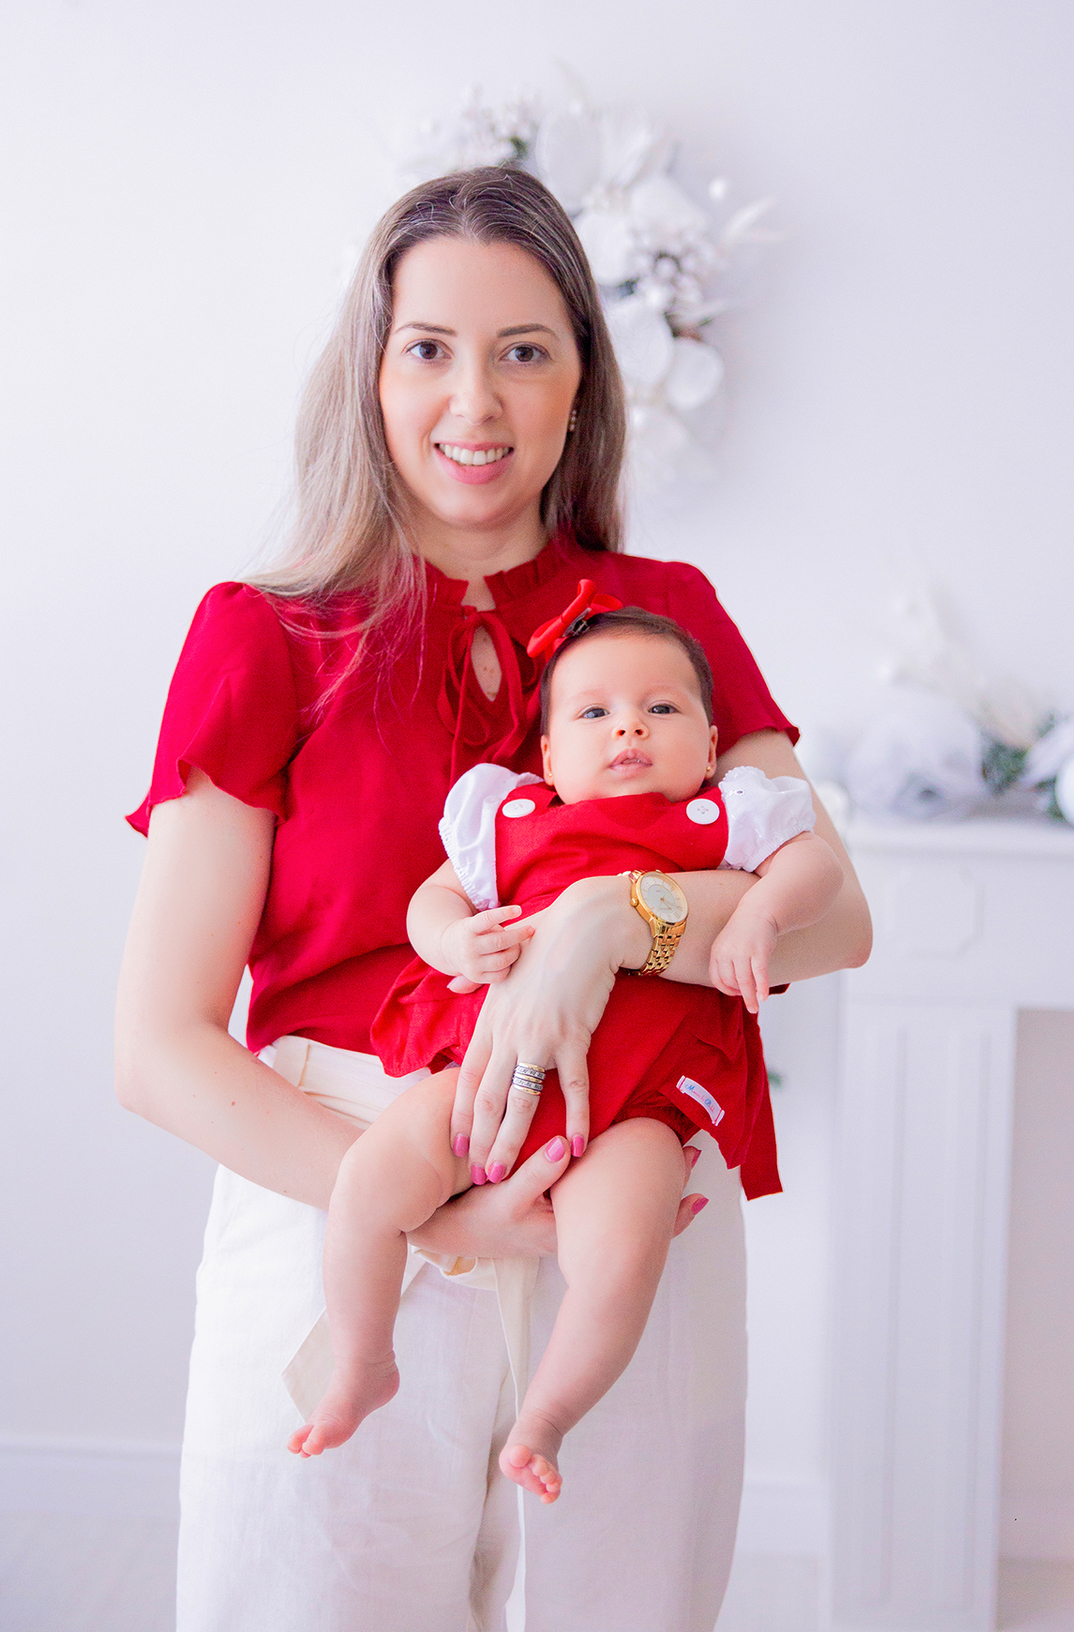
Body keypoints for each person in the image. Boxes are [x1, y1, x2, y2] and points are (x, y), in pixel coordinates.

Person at [115, 165, 872, 1632]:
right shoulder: (265, 636)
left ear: (583, 381)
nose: (477, 398)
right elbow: (157, 1046)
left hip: (631, 1211)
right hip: (337, 1194)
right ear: (372, 375)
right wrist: (430, 1215)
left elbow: (835, 915)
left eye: (525, 349)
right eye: (429, 349)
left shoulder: (669, 618)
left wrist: (611, 926)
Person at [290, 605, 845, 1496]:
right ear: (545, 759)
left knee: (620, 1256)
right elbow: (429, 902)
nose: (627, 724)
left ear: (709, 748)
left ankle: (546, 1416)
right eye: (592, 713)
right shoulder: (505, 817)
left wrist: (761, 911)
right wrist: (449, 943)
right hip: (489, 1074)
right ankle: (362, 1361)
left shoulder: (727, 817)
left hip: (639, 1101)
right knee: (367, 1184)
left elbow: (817, 870)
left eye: (660, 709)